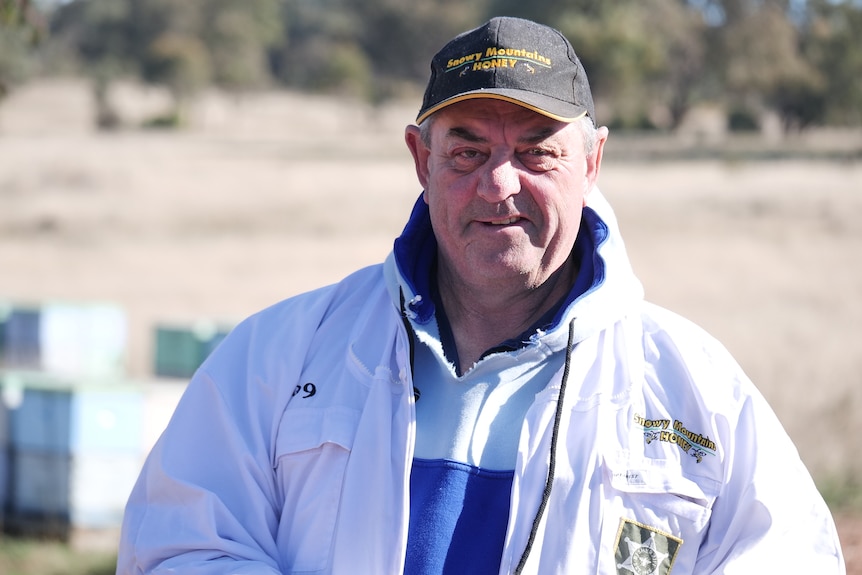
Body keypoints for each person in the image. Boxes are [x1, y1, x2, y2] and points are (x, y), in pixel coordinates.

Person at [116, 16, 846, 575]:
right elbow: (179, 545)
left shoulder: (696, 388)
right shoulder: (278, 356)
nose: (499, 185)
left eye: (537, 150)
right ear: (420, 159)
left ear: (591, 161)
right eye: (468, 151)